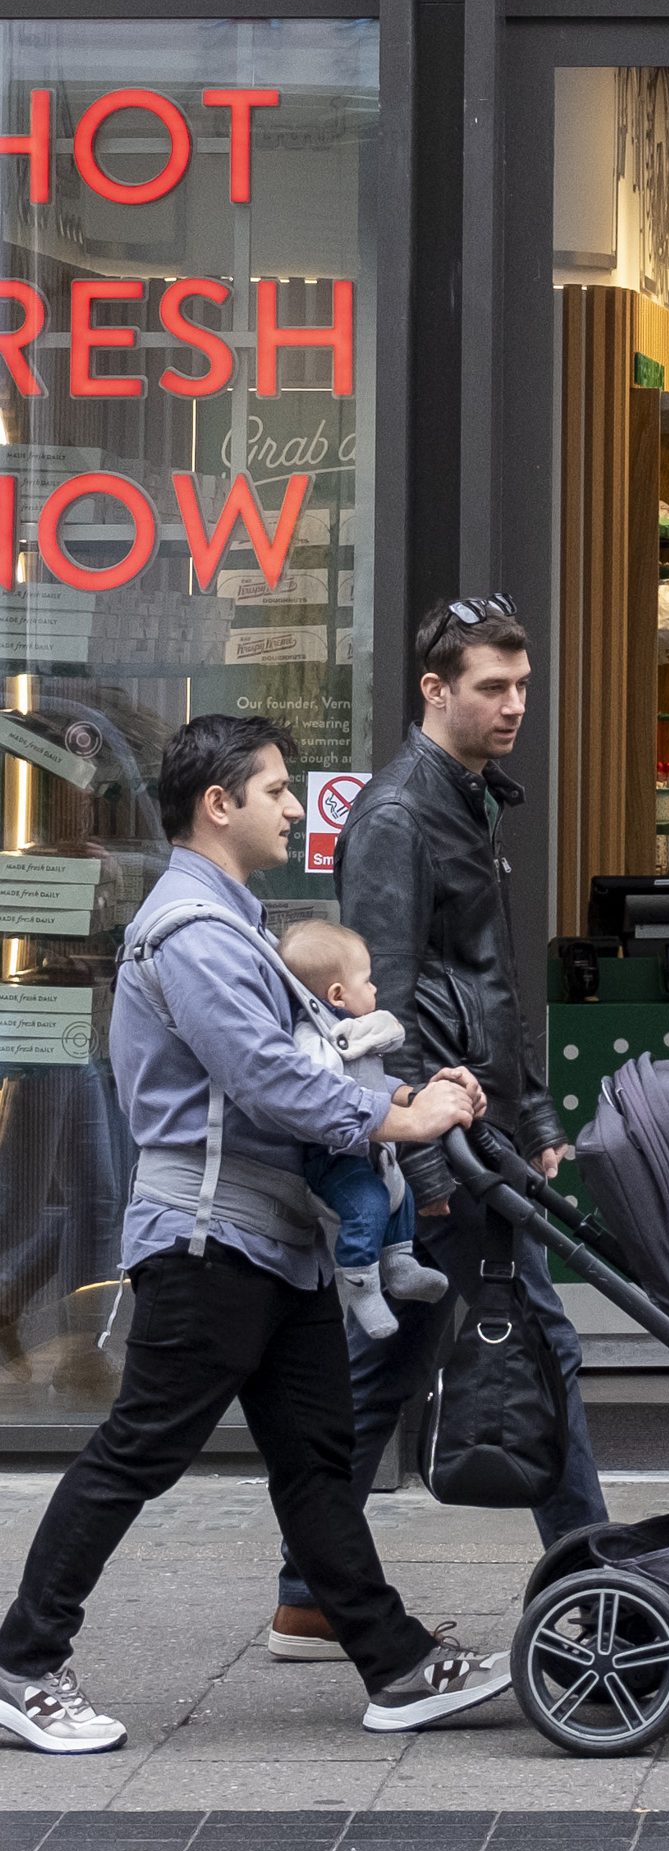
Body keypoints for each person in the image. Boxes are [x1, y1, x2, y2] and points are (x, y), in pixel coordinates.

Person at [0, 715, 512, 1753]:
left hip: (271, 1241)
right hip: (209, 1241)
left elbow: (317, 1059)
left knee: (317, 1459)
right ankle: (21, 1661)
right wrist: (395, 1118)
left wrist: (406, 1087)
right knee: (140, 1449)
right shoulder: (191, 932)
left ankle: (399, 1663)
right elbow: (265, 1077)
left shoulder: (233, 926)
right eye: (276, 788)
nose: (292, 804)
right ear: (217, 804)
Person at [270, 594, 608, 1659]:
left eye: (520, 685)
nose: (514, 705)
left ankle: (305, 1586)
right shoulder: (399, 815)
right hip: (441, 1136)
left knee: (393, 1358)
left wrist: (536, 1104)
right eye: (491, 687)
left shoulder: (466, 800)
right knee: (544, 1337)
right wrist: (433, 1151)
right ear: (433, 688)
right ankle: (596, 1582)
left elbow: (489, 981)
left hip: (473, 1120)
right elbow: (380, 1004)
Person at [277, 920, 449, 1343]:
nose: (375, 991)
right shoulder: (317, 1042)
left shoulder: (358, 1039)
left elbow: (374, 1083)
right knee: (369, 1204)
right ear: (336, 994)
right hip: (333, 1158)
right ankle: (362, 1286)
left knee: (400, 1196)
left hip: (370, 1150)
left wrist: (410, 1095)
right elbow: (318, 1093)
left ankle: (400, 1266)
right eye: (367, 981)